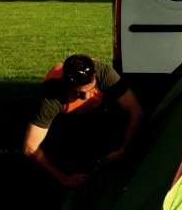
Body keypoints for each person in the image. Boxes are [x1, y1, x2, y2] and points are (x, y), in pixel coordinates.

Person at [22, 54, 143, 192]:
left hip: (99, 110)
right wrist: (64, 178)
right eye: (79, 93)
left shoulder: (104, 73)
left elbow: (136, 111)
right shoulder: (51, 95)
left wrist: (122, 149)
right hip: (66, 119)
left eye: (90, 89)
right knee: (66, 152)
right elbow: (30, 148)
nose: (86, 96)